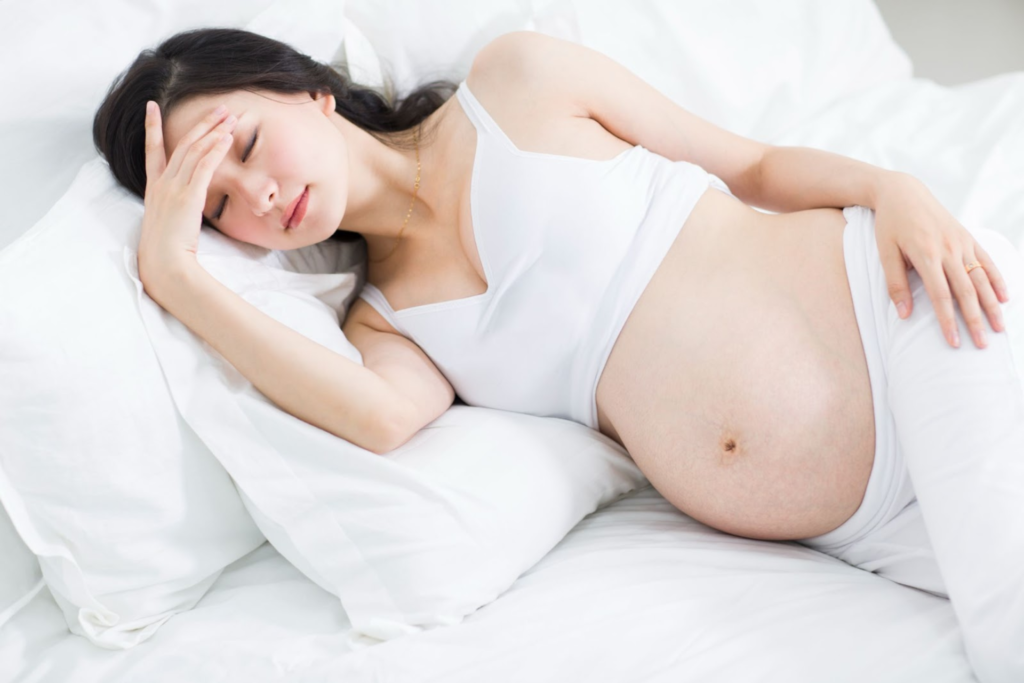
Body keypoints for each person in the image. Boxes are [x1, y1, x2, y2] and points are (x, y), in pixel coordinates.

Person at [93, 27, 1024, 682]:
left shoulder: (517, 83)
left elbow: (752, 168)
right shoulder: (383, 325)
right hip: (865, 528)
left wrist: (895, 188)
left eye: (246, 144)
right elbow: (376, 418)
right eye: (216, 207)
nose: (257, 195)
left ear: (307, 89)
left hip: (914, 316)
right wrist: (177, 274)